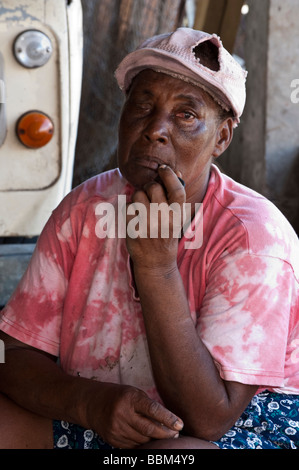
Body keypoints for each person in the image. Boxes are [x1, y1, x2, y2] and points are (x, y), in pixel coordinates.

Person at [0, 27, 298, 450]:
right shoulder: (84, 209)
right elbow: (10, 353)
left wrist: (156, 266)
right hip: (104, 413)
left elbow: (208, 420)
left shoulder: (253, 236)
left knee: (173, 457)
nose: (154, 130)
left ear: (222, 137)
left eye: (186, 114)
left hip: (232, 429)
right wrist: (88, 403)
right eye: (142, 106)